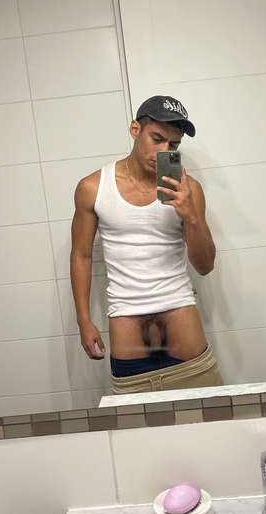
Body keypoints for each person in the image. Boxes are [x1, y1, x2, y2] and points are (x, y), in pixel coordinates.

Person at [70, 95, 224, 394]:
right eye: (157, 138)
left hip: (182, 324)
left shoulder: (189, 190)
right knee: (134, 424)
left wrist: (190, 215)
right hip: (127, 327)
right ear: (134, 129)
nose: (164, 150)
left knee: (208, 419)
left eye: (174, 145)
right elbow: (82, 255)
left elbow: (205, 266)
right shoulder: (93, 187)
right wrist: (84, 321)